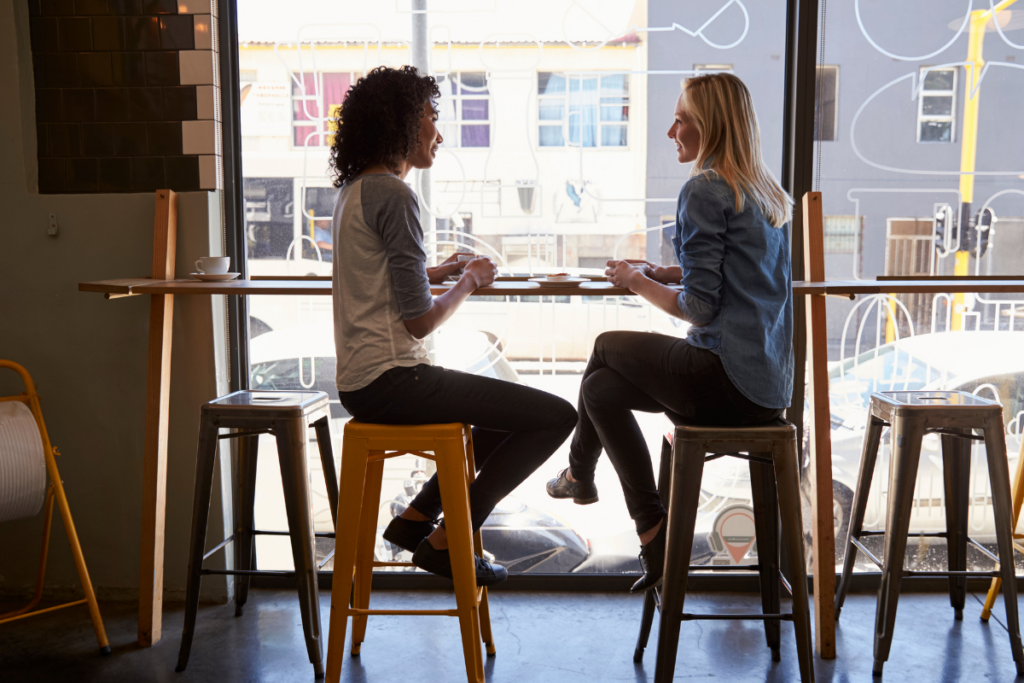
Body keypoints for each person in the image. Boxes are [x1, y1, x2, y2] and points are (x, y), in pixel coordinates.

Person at [545, 72, 795, 593]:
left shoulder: (705, 188)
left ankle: (579, 475)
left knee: (605, 346)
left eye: (681, 120)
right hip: (767, 391)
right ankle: (651, 531)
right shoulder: (765, 192)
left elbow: (701, 310)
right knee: (599, 388)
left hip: (721, 378)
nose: (670, 131)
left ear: (710, 127)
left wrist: (635, 281)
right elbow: (741, 278)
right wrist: (668, 272)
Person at [330, 65, 577, 586]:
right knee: (556, 416)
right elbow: (419, 322)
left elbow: (377, 276)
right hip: (396, 379)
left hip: (360, 383)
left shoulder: (355, 191)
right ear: (400, 124)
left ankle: (416, 518)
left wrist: (433, 271)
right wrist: (468, 280)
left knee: (499, 414)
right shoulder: (397, 197)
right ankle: (447, 541)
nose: (437, 133)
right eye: (429, 116)